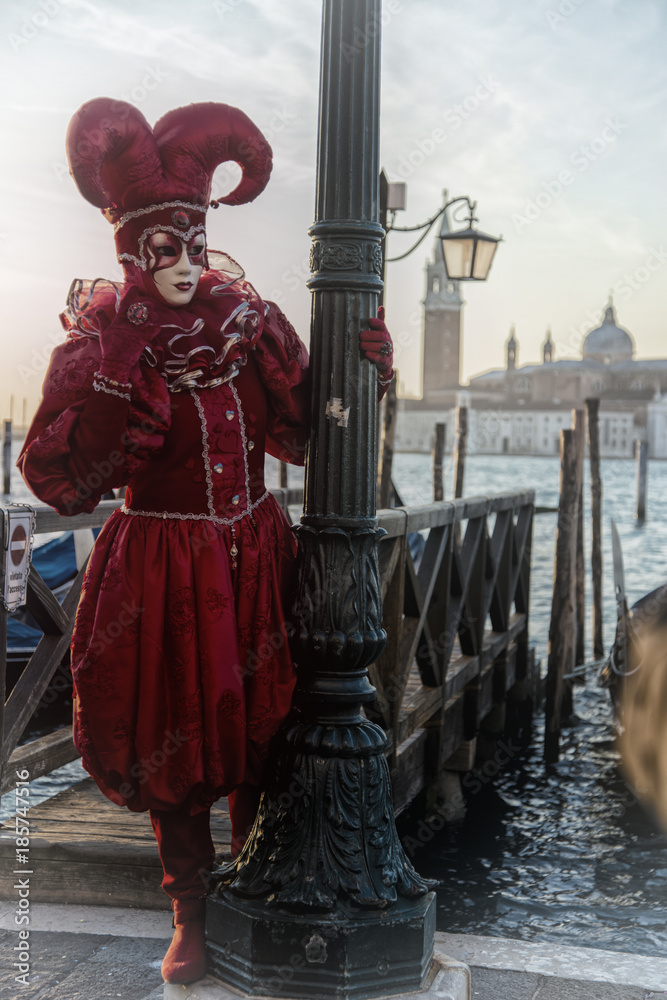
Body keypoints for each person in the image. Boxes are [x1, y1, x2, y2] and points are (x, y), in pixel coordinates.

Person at [17, 98, 394, 984]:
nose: (184, 263)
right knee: (173, 733)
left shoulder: (247, 330)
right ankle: (188, 908)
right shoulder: (98, 348)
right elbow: (64, 479)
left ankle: (255, 885)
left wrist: (366, 370)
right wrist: (117, 369)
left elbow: (307, 434)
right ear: (128, 253)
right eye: (163, 250)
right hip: (158, 561)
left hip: (255, 554)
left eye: (194, 242)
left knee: (263, 721)